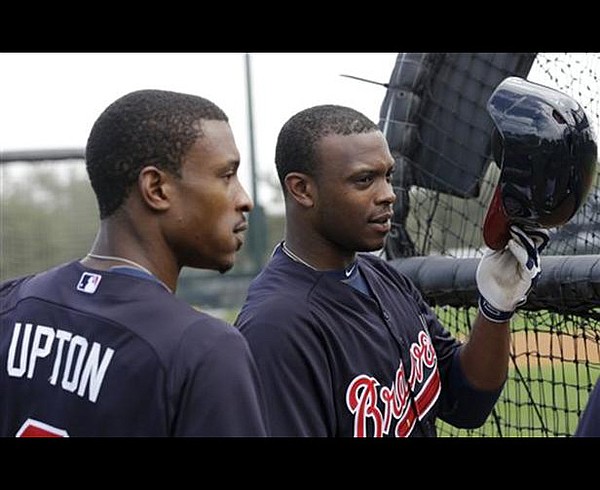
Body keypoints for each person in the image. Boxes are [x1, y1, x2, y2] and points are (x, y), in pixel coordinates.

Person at [235, 104, 548, 437]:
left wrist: (495, 309)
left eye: (388, 176)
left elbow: (467, 401)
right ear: (302, 189)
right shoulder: (276, 328)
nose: (387, 195)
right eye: (364, 180)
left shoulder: (383, 278)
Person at [0, 89, 267, 437]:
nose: (243, 199)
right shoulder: (204, 350)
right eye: (226, 175)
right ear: (156, 189)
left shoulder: (11, 304)